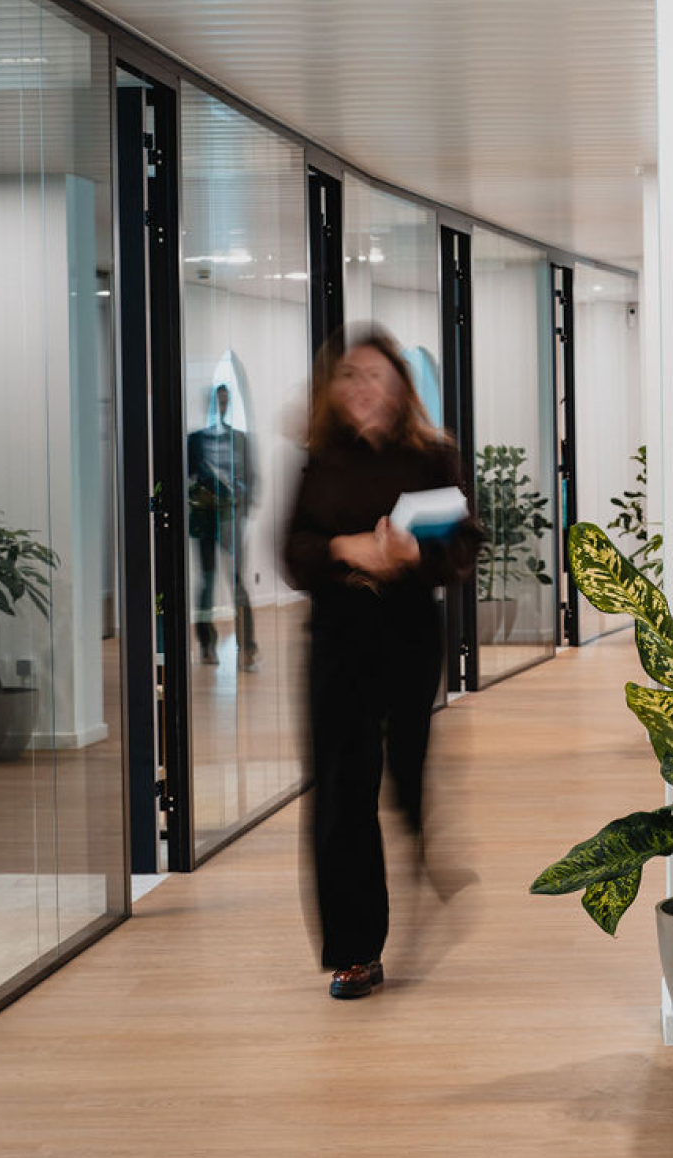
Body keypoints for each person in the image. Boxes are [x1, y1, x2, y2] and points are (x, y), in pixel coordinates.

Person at [283, 328, 479, 1000]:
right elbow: (292, 552)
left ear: (399, 385)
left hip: (405, 633)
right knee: (342, 791)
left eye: (374, 375)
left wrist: (411, 558)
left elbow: (464, 545)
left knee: (402, 773)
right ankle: (356, 951)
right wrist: (345, 548)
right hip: (338, 637)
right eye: (349, 377)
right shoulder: (319, 461)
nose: (361, 388)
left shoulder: (431, 456)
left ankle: (420, 835)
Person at [187, 384, 259, 670]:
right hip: (204, 519)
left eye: (226, 401)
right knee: (207, 581)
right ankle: (206, 644)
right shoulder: (195, 441)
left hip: (230, 519)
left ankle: (248, 646)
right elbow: (187, 479)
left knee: (237, 582)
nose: (222, 405)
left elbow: (251, 480)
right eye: (218, 400)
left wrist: (240, 509)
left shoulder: (240, 440)